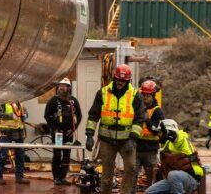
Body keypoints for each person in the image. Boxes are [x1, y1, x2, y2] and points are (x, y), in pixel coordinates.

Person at [85, 64, 145, 194]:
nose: (120, 83)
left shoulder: (136, 95)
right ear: (114, 78)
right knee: (107, 172)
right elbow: (93, 115)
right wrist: (89, 135)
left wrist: (133, 139)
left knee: (131, 167)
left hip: (127, 140)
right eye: (118, 80)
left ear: (127, 81)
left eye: (123, 81)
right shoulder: (102, 93)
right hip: (107, 140)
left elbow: (140, 118)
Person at [144, 119, 203, 194]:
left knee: (173, 175)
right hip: (174, 179)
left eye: (161, 132)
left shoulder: (181, 140)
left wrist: (171, 134)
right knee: (150, 192)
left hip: (191, 179)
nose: (160, 135)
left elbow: (177, 138)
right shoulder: (166, 144)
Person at [44, 78, 82, 185]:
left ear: (69, 88)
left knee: (66, 155)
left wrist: (73, 129)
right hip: (57, 133)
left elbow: (79, 115)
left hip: (68, 133)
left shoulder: (73, 101)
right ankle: (56, 178)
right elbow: (47, 115)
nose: (61, 87)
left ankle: (63, 177)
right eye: (60, 85)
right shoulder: (53, 101)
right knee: (57, 155)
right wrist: (54, 129)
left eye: (64, 86)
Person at [135, 80, 165, 190]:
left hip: (150, 150)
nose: (145, 97)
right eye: (143, 94)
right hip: (136, 148)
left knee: (152, 181)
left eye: (148, 95)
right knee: (132, 177)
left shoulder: (157, 111)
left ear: (153, 95)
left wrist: (147, 120)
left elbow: (158, 130)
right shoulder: (137, 109)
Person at [0, 100, 29, 184]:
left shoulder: (20, 103)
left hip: (19, 132)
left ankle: (19, 177)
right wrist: (10, 116)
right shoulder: (3, 102)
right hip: (6, 132)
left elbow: (25, 113)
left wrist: (25, 115)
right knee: (3, 154)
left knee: (20, 155)